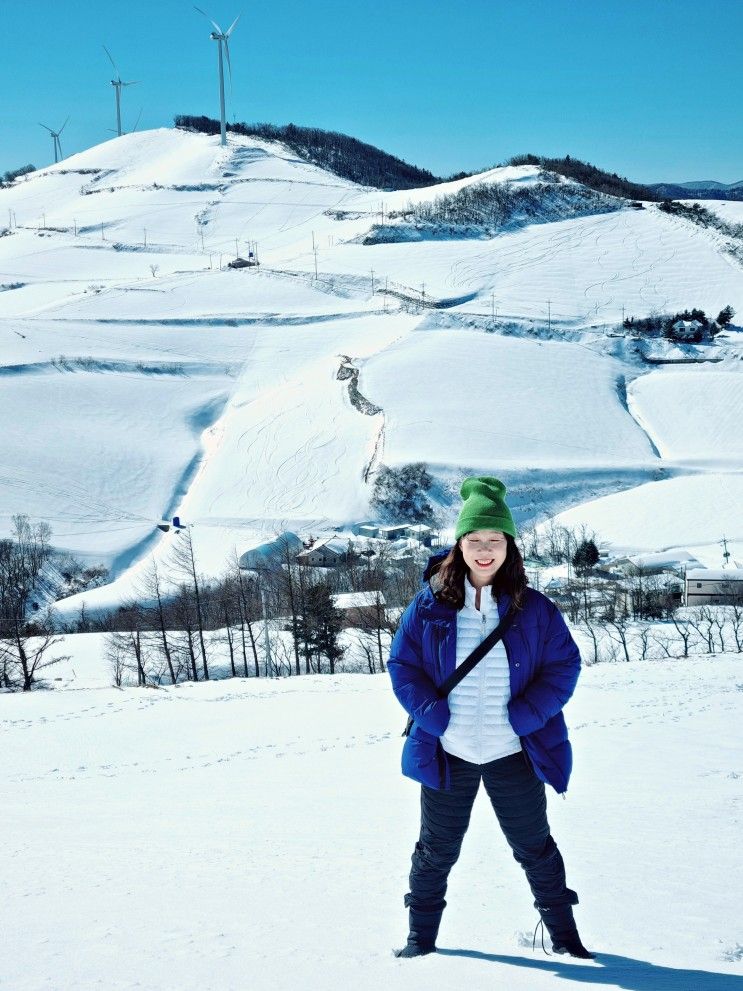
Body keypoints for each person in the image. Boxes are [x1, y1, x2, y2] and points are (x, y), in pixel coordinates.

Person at [388, 475, 594, 960]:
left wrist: (527, 715)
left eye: (494, 541)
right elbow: (403, 667)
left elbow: (565, 665)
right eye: (475, 540)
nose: (484, 550)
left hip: (512, 752)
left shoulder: (535, 609)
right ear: (459, 546)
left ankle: (566, 938)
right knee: (435, 851)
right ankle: (421, 938)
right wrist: (434, 717)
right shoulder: (428, 607)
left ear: (508, 547)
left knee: (535, 848)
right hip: (449, 754)